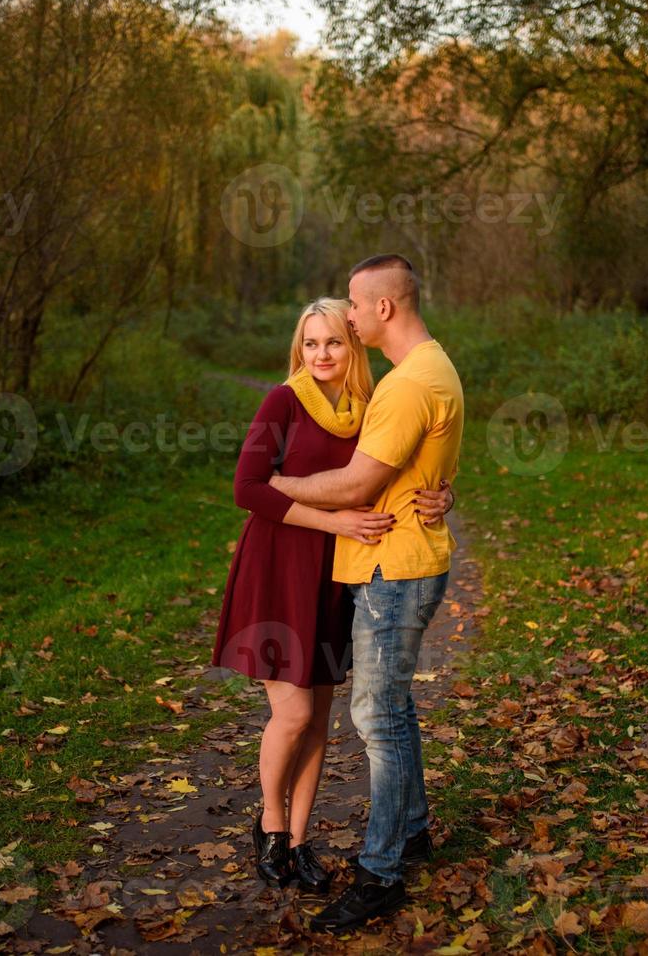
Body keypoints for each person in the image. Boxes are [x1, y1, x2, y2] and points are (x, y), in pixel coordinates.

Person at [211, 296, 455, 894]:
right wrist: (335, 521)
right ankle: (269, 826)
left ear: (354, 347)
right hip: (280, 563)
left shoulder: (372, 408)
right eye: (311, 343)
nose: (322, 354)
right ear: (300, 349)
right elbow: (247, 489)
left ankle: (299, 840)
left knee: (319, 717)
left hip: (339, 573)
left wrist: (440, 495)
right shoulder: (284, 401)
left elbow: (395, 473)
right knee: (291, 713)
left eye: (334, 342)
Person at [267, 255, 464, 933]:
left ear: (383, 308)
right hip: (403, 559)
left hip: (394, 569)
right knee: (395, 710)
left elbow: (356, 485)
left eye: (354, 305)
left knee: (377, 719)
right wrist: (436, 492)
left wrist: (276, 486)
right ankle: (412, 831)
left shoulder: (409, 385)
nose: (346, 317)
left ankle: (381, 874)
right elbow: (422, 468)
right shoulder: (431, 367)